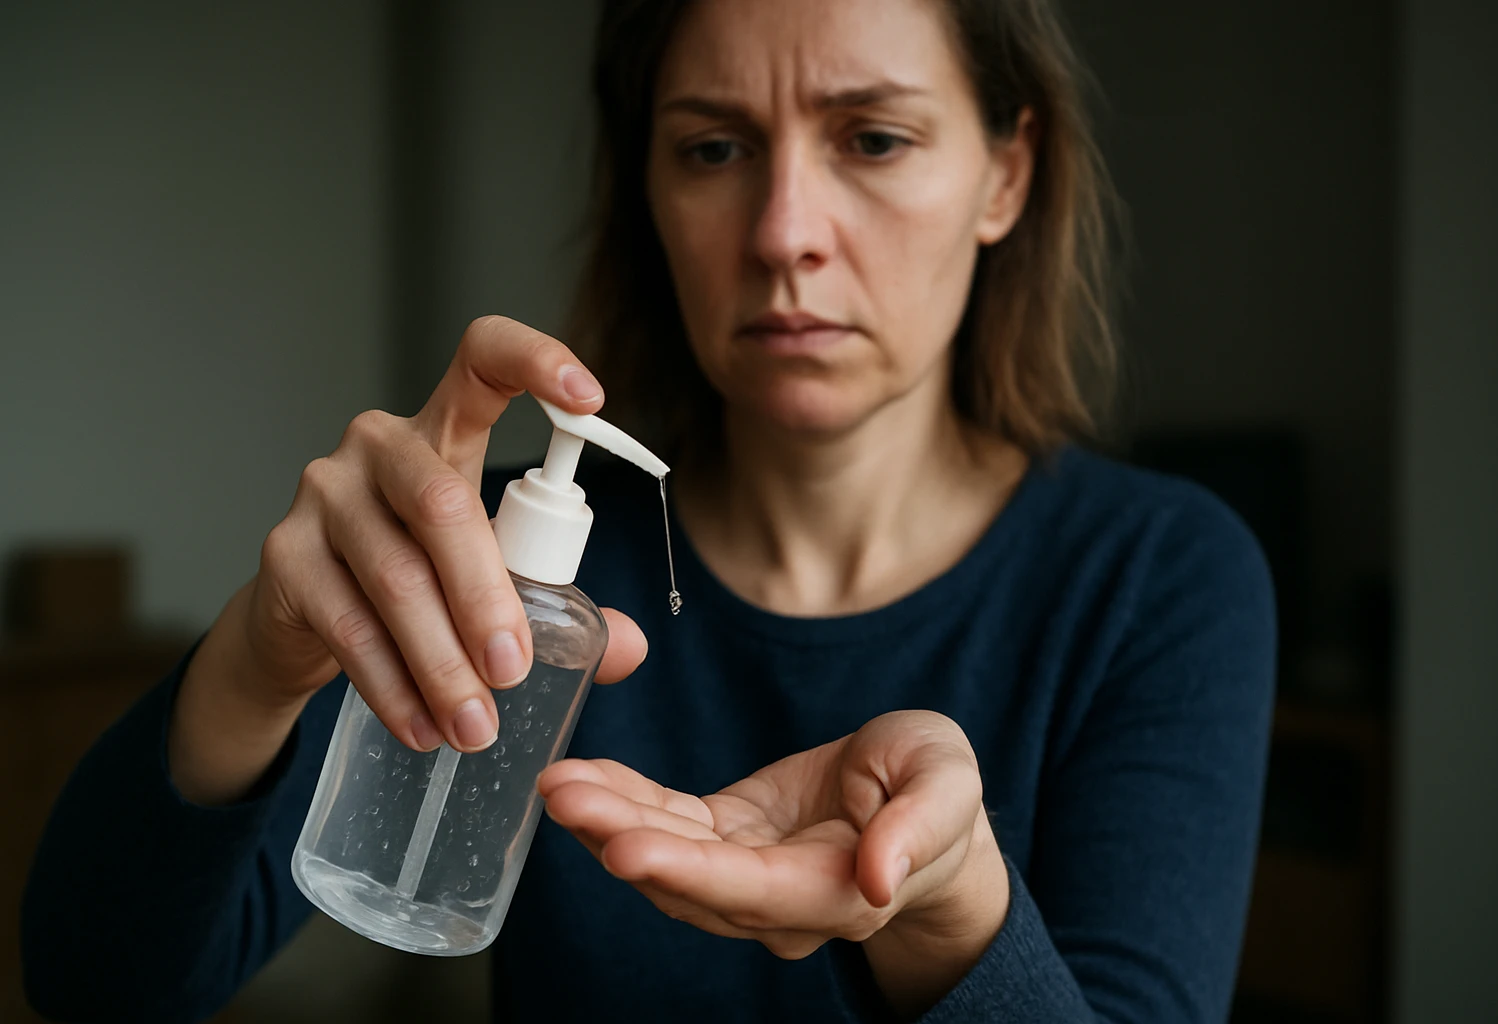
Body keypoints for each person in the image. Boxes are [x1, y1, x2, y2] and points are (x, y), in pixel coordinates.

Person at [22, 0, 1275, 1020]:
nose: (785, 232)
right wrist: (257, 660)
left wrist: (948, 911)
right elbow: (99, 984)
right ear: (650, 191)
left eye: (874, 139)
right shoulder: (487, 566)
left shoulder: (1158, 578)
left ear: (1007, 170)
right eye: (714, 148)